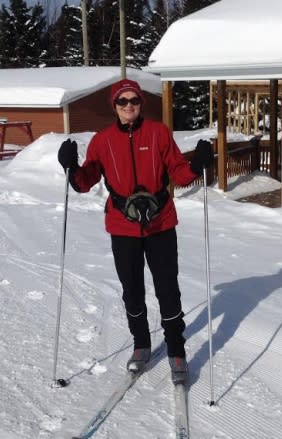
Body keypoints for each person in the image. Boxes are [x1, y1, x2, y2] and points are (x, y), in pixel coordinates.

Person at [57, 78, 214, 385]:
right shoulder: (102, 141)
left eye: (134, 101)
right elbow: (86, 180)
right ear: (114, 106)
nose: (129, 106)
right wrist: (71, 168)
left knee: (167, 288)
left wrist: (197, 165)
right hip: (122, 224)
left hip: (161, 222)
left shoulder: (158, 133)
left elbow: (179, 172)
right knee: (132, 290)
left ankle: (176, 351)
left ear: (141, 103)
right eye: (122, 101)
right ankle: (141, 344)